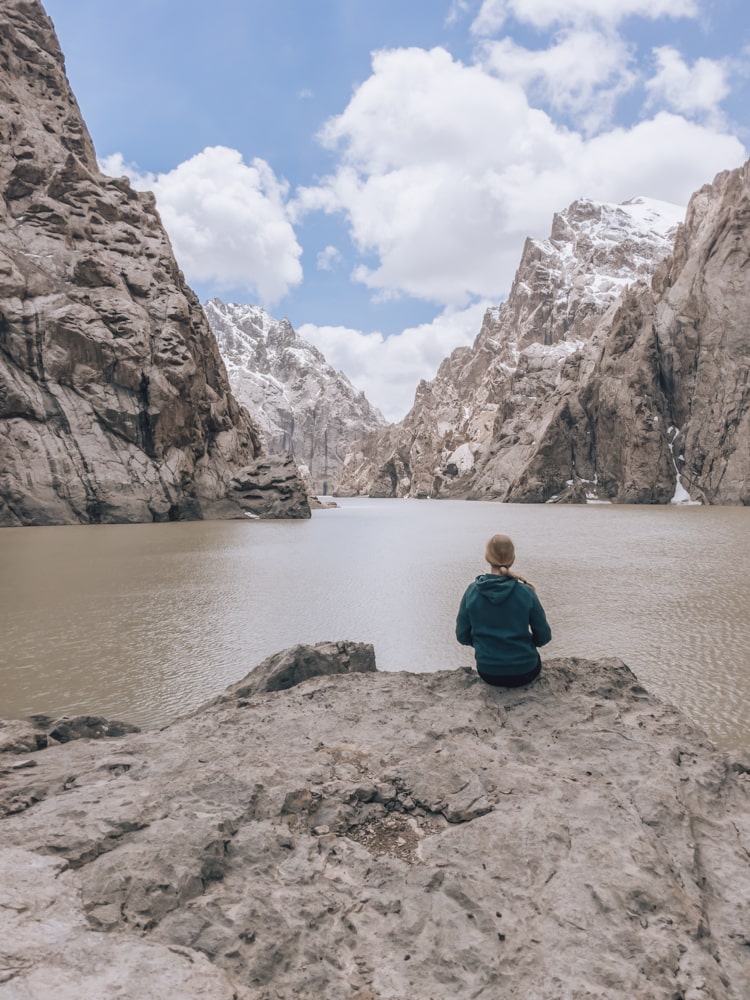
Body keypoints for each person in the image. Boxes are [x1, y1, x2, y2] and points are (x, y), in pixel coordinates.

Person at [456, 534, 551, 688]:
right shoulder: (526, 592)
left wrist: (485, 646)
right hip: (525, 671)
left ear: (487, 557)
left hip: (488, 672)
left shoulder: (471, 591)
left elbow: (462, 636)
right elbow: (544, 637)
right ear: (512, 559)